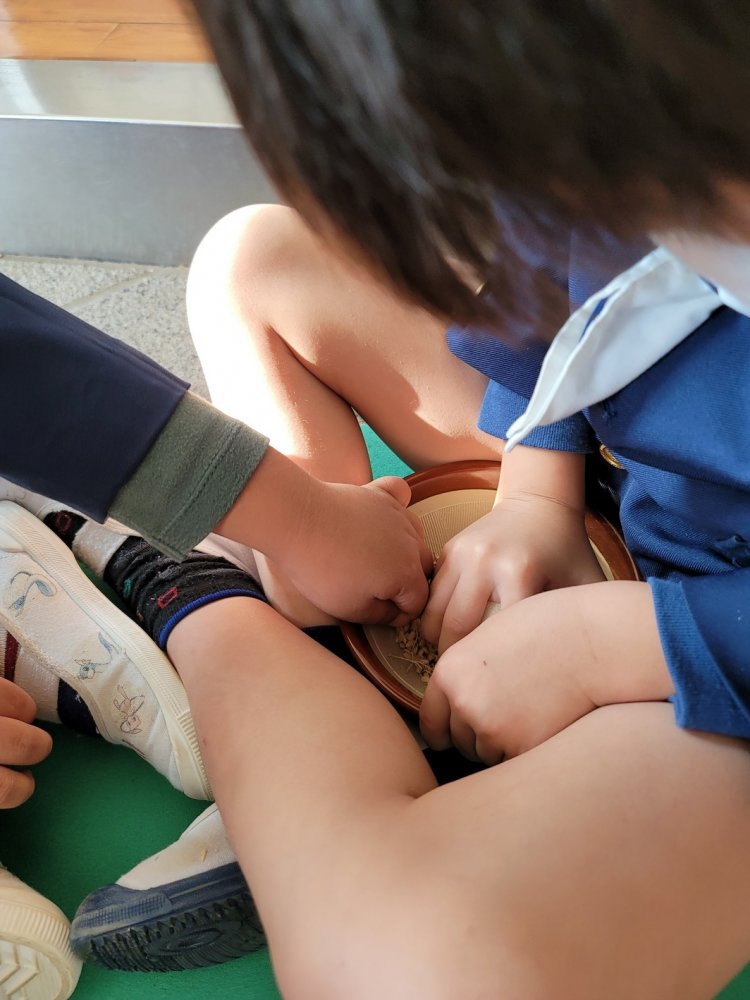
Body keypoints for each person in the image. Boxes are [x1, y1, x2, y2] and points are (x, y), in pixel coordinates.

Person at [4, 2, 750, 998]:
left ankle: (189, 591)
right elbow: (563, 288)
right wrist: (537, 484)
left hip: (721, 654)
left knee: (401, 972)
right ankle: (318, 673)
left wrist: (622, 642)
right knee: (253, 260)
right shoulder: (616, 133)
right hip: (641, 473)